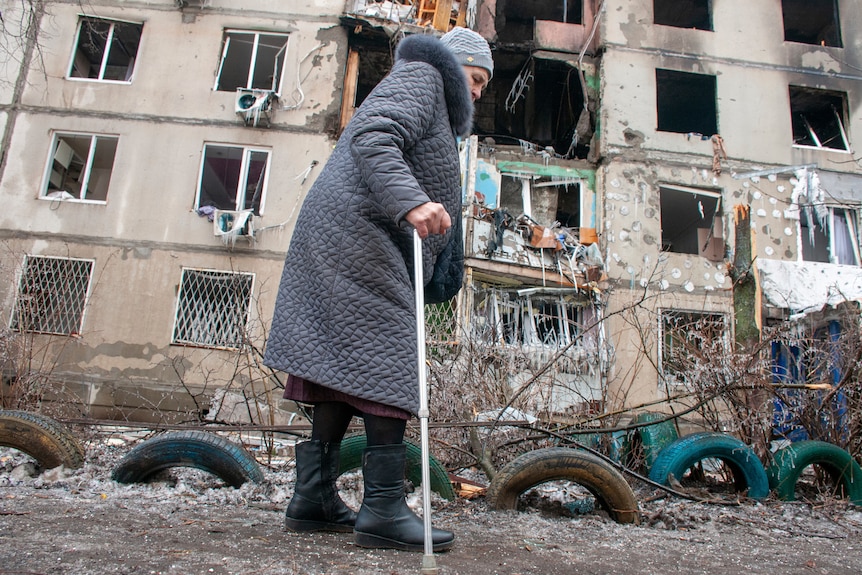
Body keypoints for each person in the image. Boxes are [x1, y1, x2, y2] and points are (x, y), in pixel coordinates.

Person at [263, 27, 493, 553]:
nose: (478, 92)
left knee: (349, 361)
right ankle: (384, 509)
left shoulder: (432, 94)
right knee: (390, 357)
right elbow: (373, 134)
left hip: (351, 233)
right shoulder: (423, 76)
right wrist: (412, 202)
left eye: (483, 84)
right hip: (357, 234)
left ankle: (313, 497)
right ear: (451, 64)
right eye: (474, 78)